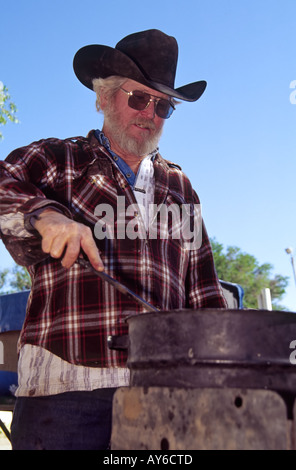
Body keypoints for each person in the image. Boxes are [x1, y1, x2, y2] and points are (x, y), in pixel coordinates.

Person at [0, 29, 226, 450]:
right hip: (63, 393)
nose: (150, 113)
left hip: (163, 397)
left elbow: (206, 292)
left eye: (163, 106)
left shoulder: (181, 187)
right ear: (103, 97)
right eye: (138, 98)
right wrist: (45, 216)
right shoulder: (59, 159)